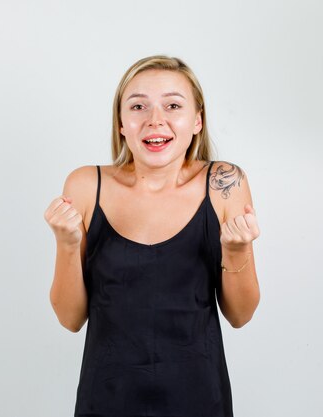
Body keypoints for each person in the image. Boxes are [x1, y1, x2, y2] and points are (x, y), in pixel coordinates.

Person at [43, 55, 260, 417]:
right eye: (138, 106)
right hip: (106, 401)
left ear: (197, 120)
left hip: (200, 401)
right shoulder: (85, 185)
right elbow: (70, 318)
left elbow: (240, 315)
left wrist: (237, 251)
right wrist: (66, 244)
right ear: (122, 123)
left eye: (173, 105)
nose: (155, 120)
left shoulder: (224, 183)